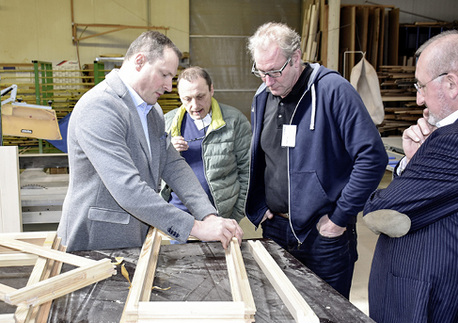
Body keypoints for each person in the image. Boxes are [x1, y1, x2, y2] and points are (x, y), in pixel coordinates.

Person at [363, 31, 458, 323]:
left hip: (438, 313)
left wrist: (409, 164)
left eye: (420, 87)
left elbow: (381, 213)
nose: (418, 100)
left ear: (452, 84)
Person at [58, 31, 243, 252]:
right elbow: (128, 189)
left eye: (171, 78)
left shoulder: (152, 110)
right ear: (140, 61)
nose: (168, 87)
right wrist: (196, 228)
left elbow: (172, 164)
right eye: (164, 75)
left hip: (135, 237)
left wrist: (208, 214)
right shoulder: (100, 107)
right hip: (96, 242)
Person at [245, 22, 388, 298]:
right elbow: (263, 157)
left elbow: (372, 156)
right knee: (280, 316)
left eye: (274, 71)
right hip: (276, 228)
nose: (267, 81)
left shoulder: (333, 91)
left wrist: (340, 218)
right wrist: (261, 204)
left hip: (324, 236)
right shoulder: (263, 97)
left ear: (296, 58)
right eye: (260, 72)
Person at [161, 67, 251, 225]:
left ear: (211, 90)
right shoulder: (167, 123)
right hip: (179, 216)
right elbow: (151, 171)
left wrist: (235, 214)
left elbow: (248, 171)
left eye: (200, 96)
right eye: (187, 99)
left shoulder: (235, 121)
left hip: (220, 215)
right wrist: (167, 153)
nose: (195, 105)